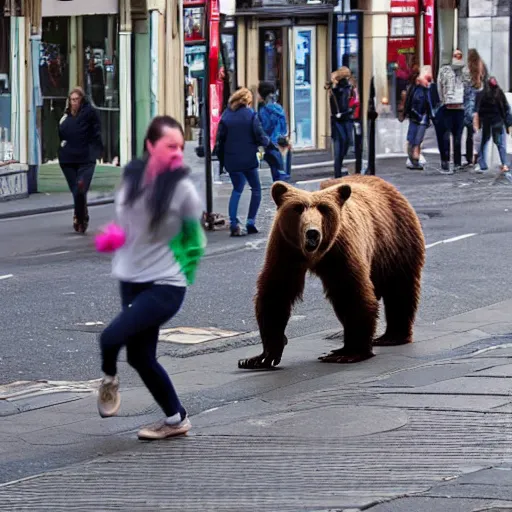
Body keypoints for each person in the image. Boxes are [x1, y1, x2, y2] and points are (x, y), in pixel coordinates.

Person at [96, 115, 206, 440]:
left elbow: (193, 236)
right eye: (170, 146)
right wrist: (113, 238)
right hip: (131, 279)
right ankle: (176, 419)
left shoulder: (182, 189)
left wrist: (186, 263)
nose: (177, 153)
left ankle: (108, 380)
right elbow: (129, 228)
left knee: (110, 338)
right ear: (150, 145)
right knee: (140, 356)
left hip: (166, 285)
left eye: (180, 147)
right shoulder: (131, 180)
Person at [216, 87, 273, 237]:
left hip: (231, 160)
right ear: (247, 101)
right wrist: (268, 143)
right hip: (248, 159)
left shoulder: (226, 116)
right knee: (255, 188)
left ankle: (234, 223)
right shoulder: (251, 115)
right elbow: (260, 136)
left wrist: (222, 163)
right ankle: (250, 222)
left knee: (237, 188)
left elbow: (220, 141)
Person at [58, 86, 103, 233]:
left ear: (82, 100)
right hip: (68, 160)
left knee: (80, 188)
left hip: (85, 159)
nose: (74, 103)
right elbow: (61, 134)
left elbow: (96, 132)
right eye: (72, 100)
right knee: (76, 191)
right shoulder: (65, 116)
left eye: (77, 100)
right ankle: (81, 216)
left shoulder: (89, 113)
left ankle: (80, 217)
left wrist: (96, 151)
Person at [474, 77, 512, 178]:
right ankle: (504, 164)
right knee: (501, 145)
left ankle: (482, 164)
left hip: (487, 122)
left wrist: (480, 123)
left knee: (484, 142)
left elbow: (480, 110)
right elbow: (506, 108)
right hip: (498, 122)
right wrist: (508, 123)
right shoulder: (499, 93)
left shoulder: (483, 94)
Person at [437, 49, 466, 172]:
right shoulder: (445, 70)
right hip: (449, 107)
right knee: (446, 136)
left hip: (459, 108)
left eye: (459, 55)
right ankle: (446, 162)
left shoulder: (465, 71)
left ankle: (456, 162)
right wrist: (443, 100)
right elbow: (439, 86)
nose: (458, 57)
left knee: (457, 137)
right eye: (455, 55)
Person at [257, 81, 292, 182]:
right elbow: (284, 126)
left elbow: (265, 128)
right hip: (282, 143)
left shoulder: (264, 110)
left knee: (276, 173)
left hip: (271, 144)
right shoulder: (279, 108)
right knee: (284, 172)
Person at [327, 66, 356, 178]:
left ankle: (338, 169)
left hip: (342, 118)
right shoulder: (340, 89)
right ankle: (338, 170)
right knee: (342, 144)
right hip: (341, 119)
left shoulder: (345, 88)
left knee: (343, 144)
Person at [403, 66, 434, 170]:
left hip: (420, 117)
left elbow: (428, 103)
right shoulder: (416, 88)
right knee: (413, 140)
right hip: (417, 116)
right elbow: (410, 103)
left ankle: (414, 159)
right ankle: (413, 159)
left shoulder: (424, 89)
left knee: (416, 140)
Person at [462, 49, 488, 167]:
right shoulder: (482, 67)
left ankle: (468, 157)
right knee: (478, 131)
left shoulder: (466, 69)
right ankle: (478, 154)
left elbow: (464, 85)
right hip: (480, 98)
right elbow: (485, 82)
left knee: (468, 132)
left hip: (468, 101)